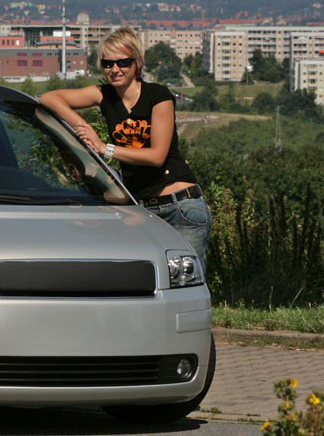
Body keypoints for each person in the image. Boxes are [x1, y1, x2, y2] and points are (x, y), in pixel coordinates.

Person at [39, 26, 212, 269]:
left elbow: (156, 156)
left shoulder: (158, 96)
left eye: (123, 62)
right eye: (107, 63)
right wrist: (83, 128)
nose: (115, 69)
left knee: (186, 279)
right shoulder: (104, 95)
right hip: (141, 211)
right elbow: (49, 98)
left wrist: (104, 148)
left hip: (180, 208)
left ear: (137, 63)